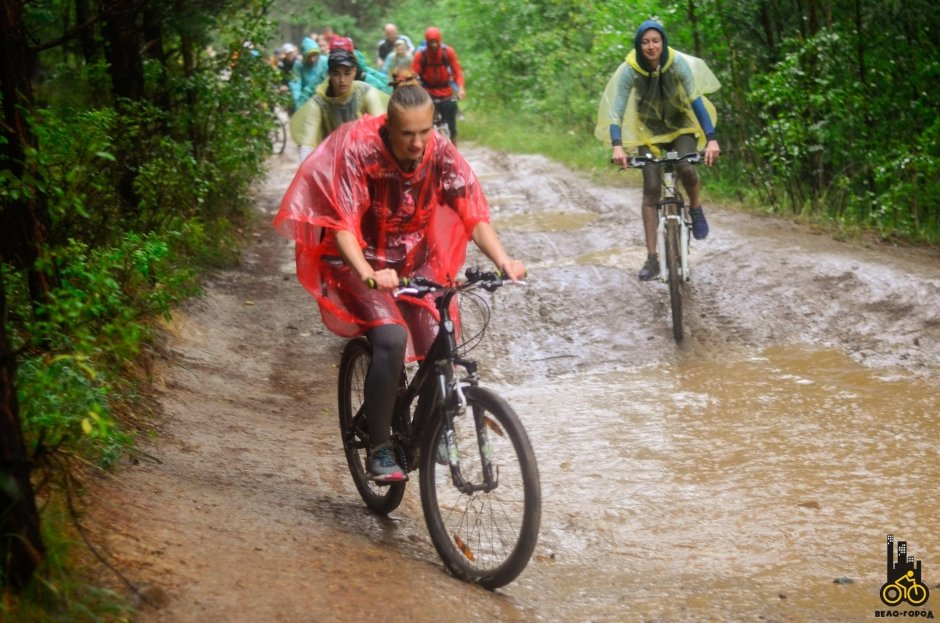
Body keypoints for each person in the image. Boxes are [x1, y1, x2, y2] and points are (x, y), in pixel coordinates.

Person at [274, 72, 525, 482]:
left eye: (425, 131)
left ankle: (432, 426)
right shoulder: (360, 151)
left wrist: (504, 260)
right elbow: (341, 224)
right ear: (388, 126)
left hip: (414, 259)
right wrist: (368, 272)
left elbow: (472, 214)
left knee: (439, 341)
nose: (417, 143)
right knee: (390, 337)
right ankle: (380, 448)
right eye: (407, 134)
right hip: (359, 260)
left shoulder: (439, 152)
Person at [596, 19, 721, 281]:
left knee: (686, 166)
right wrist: (618, 145)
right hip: (648, 132)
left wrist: (711, 138)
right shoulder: (630, 70)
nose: (651, 46)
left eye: (655, 41)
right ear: (639, 45)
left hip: (680, 127)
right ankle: (652, 258)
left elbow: (696, 100)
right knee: (651, 188)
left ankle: (695, 207)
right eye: (645, 42)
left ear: (663, 42)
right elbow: (616, 110)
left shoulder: (677, 64)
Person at [289, 42, 389, 161]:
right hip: (332, 161)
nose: (342, 80)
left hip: (365, 158)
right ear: (329, 74)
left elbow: (382, 127)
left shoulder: (365, 91)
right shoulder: (319, 102)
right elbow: (307, 145)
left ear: (354, 72)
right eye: (336, 74)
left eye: (347, 73)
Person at [412, 27, 465, 145]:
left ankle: (454, 144)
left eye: (436, 42)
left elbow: (457, 72)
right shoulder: (420, 55)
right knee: (425, 121)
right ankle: (426, 147)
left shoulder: (448, 52)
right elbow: (413, 75)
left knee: (451, 114)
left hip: (446, 92)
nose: (434, 45)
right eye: (431, 42)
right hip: (427, 92)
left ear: (440, 40)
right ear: (427, 42)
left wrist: (460, 89)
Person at [288, 39, 327, 110]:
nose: (312, 59)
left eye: (314, 56)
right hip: (306, 101)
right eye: (309, 57)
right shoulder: (299, 65)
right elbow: (295, 85)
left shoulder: (325, 62)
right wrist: (297, 102)